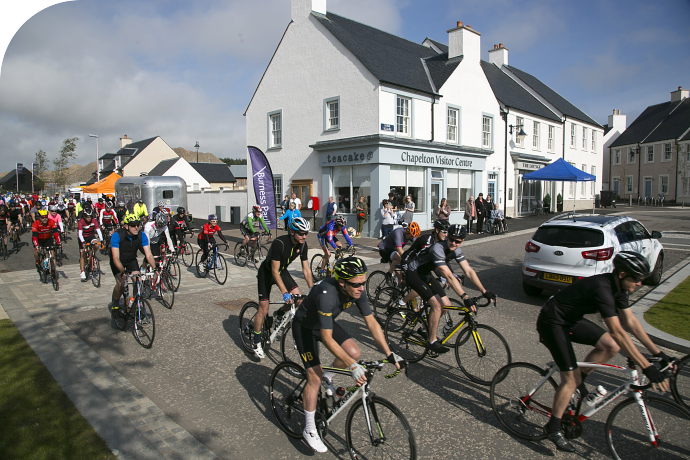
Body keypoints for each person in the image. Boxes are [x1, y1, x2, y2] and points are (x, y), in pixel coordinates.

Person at [536, 251, 672, 453]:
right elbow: (618, 332)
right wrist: (648, 366)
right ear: (622, 274)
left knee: (610, 346)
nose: (640, 284)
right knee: (570, 379)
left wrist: (658, 353)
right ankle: (553, 427)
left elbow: (631, 323)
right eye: (637, 279)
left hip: (570, 320)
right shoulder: (603, 288)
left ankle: (577, 381)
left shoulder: (619, 289)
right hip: (552, 321)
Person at [291, 257, 404, 452]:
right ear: (342, 282)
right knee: (314, 379)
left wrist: (389, 353)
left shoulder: (356, 289)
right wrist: (353, 366)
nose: (362, 288)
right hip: (305, 327)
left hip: (324, 323)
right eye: (357, 284)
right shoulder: (326, 293)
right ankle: (309, 429)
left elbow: (372, 323)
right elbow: (327, 339)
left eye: (363, 282)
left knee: (353, 351)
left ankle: (329, 376)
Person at [402, 224, 494, 354]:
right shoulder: (438, 248)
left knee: (446, 305)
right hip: (414, 273)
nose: (453, 243)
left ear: (463, 241)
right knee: (437, 306)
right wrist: (465, 297)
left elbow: (469, 271)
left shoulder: (456, 250)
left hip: (426, 274)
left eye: (458, 241)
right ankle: (432, 341)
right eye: (451, 239)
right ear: (447, 236)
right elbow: (449, 276)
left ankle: (424, 329)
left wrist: (484, 291)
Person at [252, 216, 313, 359]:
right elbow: (274, 271)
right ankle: (256, 342)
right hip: (267, 273)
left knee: (299, 300)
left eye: (306, 233)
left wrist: (312, 288)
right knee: (263, 309)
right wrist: (284, 292)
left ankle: (279, 314)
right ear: (292, 232)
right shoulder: (280, 243)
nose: (304, 236)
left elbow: (306, 269)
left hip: (282, 271)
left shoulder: (303, 245)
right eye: (301, 233)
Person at [110, 214, 157, 315]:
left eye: (138, 225)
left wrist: (155, 267)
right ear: (126, 226)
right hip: (118, 262)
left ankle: (134, 302)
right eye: (133, 225)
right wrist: (122, 271)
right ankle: (115, 305)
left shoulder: (141, 235)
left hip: (131, 259)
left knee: (138, 280)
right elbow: (115, 258)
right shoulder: (117, 235)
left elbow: (148, 255)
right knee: (121, 283)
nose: (136, 227)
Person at [78, 208, 103, 281]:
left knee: (96, 244)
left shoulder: (94, 220)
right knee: (83, 254)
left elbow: (98, 231)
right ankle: (82, 271)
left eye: (90, 216)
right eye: (87, 216)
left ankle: (93, 255)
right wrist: (83, 242)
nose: (89, 218)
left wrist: (101, 240)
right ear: (84, 216)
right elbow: (79, 234)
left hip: (91, 236)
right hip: (83, 237)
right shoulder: (81, 221)